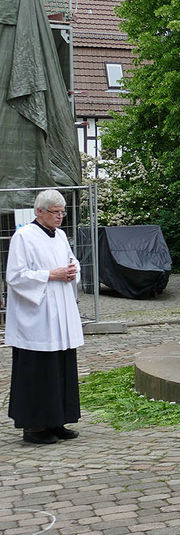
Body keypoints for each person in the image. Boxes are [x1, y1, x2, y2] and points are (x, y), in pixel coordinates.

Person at [6, 189, 83, 444]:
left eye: (62, 212)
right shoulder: (23, 237)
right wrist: (50, 275)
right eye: (55, 212)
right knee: (38, 370)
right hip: (37, 316)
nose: (60, 217)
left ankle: (57, 419)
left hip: (60, 312)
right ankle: (35, 427)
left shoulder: (60, 235)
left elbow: (71, 261)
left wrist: (72, 271)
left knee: (60, 366)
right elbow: (15, 276)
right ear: (39, 211)